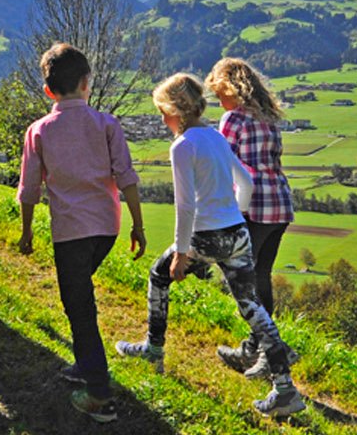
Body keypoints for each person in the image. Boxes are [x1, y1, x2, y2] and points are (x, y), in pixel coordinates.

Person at [114, 74, 306, 418]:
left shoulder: (183, 145)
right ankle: (285, 389)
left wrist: (182, 252)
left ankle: (153, 350)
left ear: (177, 111)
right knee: (253, 307)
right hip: (237, 232)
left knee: (159, 277)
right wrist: (239, 214)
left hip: (206, 234)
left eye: (163, 112)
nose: (162, 120)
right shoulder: (217, 137)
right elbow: (244, 181)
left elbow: (185, 206)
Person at [16, 43, 148, 423]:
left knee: (79, 307)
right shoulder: (107, 124)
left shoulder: (39, 130)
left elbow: (29, 190)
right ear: (87, 83)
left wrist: (27, 232)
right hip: (107, 227)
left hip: (70, 231)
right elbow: (127, 177)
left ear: (47, 90)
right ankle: (86, 364)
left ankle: (99, 395)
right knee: (80, 296)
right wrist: (137, 225)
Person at [205, 58, 297, 375]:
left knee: (243, 283)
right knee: (260, 279)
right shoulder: (269, 116)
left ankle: (272, 353)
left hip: (253, 205)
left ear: (231, 90)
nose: (219, 102)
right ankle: (254, 349)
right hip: (279, 203)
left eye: (219, 94)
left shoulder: (233, 119)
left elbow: (225, 167)